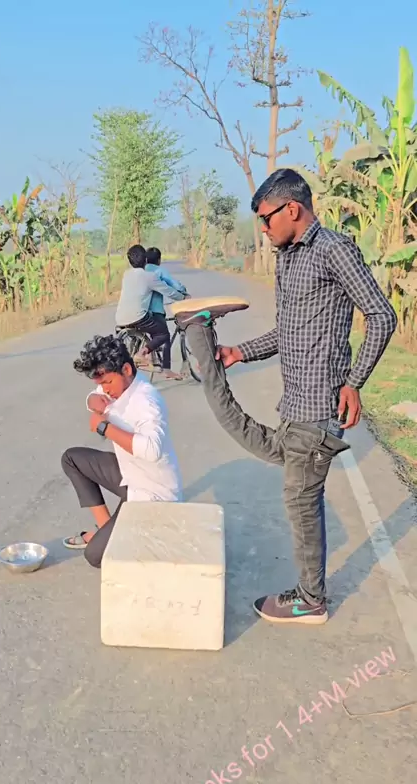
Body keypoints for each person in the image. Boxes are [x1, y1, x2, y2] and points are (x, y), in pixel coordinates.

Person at [171, 168, 397, 626]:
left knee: (300, 501)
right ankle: (311, 595)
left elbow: (381, 315)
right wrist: (240, 352)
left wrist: (354, 382)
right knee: (269, 457)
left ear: (292, 209)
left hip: (319, 407)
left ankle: (311, 600)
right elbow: (288, 331)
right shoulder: (288, 257)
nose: (263, 228)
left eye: (266, 218)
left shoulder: (334, 249)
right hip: (294, 405)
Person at [61, 334, 182, 568]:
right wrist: (92, 400)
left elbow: (151, 450)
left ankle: (130, 537)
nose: (106, 390)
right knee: (71, 459)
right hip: (129, 476)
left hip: (153, 494)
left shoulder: (146, 401)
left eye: (108, 383)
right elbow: (96, 393)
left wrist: (104, 427)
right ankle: (106, 528)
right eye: (101, 384)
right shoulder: (118, 384)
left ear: (126, 369)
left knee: (95, 556)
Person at [115, 244, 186, 380]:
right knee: (163, 334)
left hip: (120, 318)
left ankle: (145, 356)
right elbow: (169, 291)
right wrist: (183, 297)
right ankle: (143, 353)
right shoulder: (150, 276)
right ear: (146, 260)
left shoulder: (126, 274)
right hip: (139, 317)